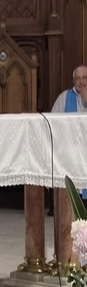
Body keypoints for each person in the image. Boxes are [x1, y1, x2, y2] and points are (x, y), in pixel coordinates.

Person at [48, 65, 87, 215]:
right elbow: (53, 122)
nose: (81, 82)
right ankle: (65, 205)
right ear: (73, 81)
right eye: (78, 78)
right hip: (69, 148)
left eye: (84, 78)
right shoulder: (64, 97)